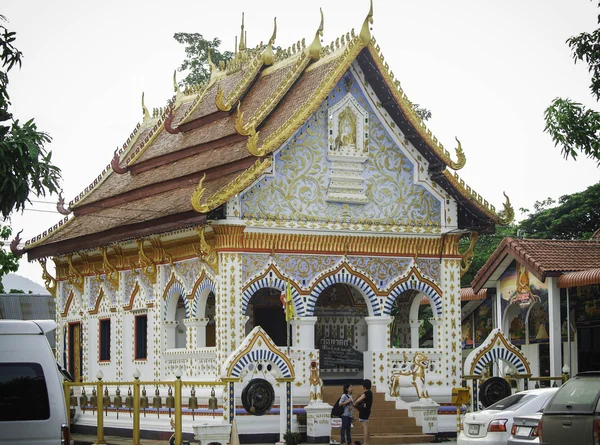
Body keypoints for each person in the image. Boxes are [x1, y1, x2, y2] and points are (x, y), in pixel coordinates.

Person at [353, 379, 373, 445]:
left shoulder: (366, 393)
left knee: (365, 426)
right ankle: (368, 442)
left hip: (364, 411)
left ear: (364, 386)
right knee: (366, 425)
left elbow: (358, 400)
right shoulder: (370, 393)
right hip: (368, 410)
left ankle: (365, 442)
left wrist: (354, 405)